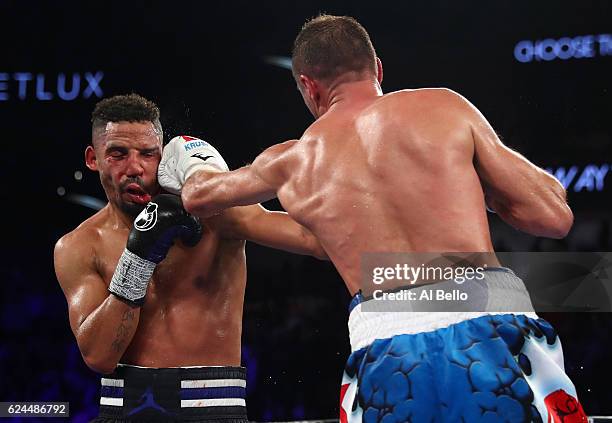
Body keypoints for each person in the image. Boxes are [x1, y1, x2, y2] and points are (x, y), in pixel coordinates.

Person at [160, 15, 588, 423]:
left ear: (308, 86)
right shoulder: (444, 108)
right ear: (378, 68)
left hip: (388, 346)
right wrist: (485, 182)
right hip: (490, 319)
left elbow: (200, 196)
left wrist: (190, 153)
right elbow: (552, 216)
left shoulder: (290, 161)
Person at [53, 94, 326, 422]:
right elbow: (98, 356)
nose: (135, 167)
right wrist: (137, 259)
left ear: (164, 155)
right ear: (93, 158)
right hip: (124, 410)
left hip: (215, 405)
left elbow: (316, 240)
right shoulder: (79, 246)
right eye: (118, 154)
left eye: (148, 154)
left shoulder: (215, 213)